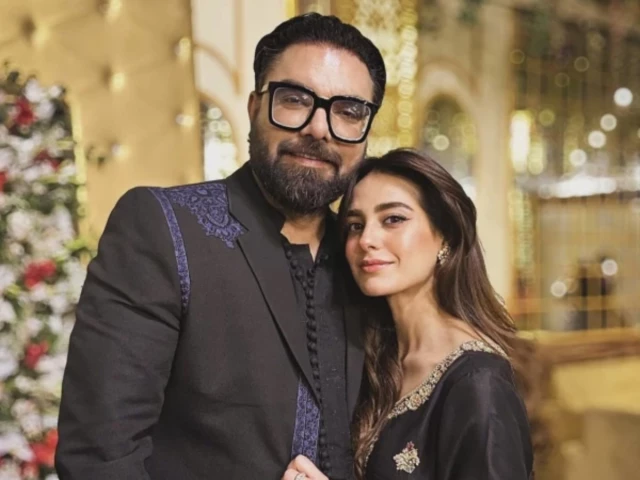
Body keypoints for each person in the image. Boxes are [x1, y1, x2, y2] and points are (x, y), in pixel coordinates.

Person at [55, 13, 385, 480]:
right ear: (254, 106)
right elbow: (100, 457)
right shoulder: (165, 227)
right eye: (294, 100)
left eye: (348, 111)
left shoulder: (370, 258)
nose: (319, 128)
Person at [283, 149, 533, 480]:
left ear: (446, 235)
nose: (366, 239)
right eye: (355, 225)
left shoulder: (478, 383)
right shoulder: (369, 360)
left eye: (393, 219)